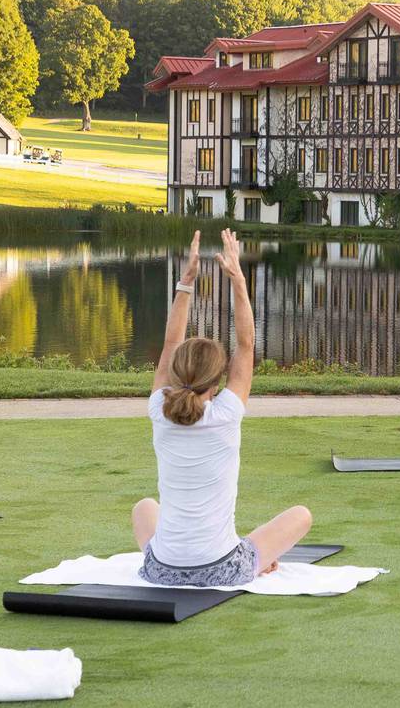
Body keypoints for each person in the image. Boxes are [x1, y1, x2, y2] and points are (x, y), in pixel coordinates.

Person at [131, 229, 313, 587]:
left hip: (160, 570)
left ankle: (244, 553)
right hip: (221, 569)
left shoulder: (158, 409)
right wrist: (237, 279)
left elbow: (171, 342)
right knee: (301, 516)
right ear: (216, 383)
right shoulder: (226, 413)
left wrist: (186, 281)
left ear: (175, 374)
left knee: (143, 508)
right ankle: (257, 559)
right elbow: (246, 344)